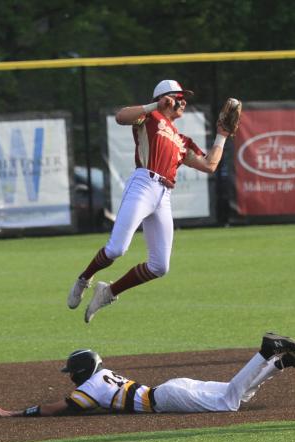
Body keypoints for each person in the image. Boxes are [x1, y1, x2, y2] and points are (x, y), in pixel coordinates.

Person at [67, 79, 232, 323]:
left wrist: (222, 136)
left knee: (159, 266)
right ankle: (84, 278)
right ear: (165, 98)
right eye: (179, 97)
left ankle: (108, 292)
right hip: (144, 183)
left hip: (164, 194)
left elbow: (209, 165)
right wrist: (151, 106)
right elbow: (121, 117)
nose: (183, 101)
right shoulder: (151, 118)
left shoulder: (182, 139)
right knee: (117, 248)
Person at [0, 333, 295, 417]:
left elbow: (62, 408)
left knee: (230, 401)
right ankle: (282, 363)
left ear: (80, 372)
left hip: (165, 397)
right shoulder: (104, 376)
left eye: (70, 373)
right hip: (168, 389)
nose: (69, 377)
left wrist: (18, 412)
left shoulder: (90, 385)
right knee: (240, 392)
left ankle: (267, 351)